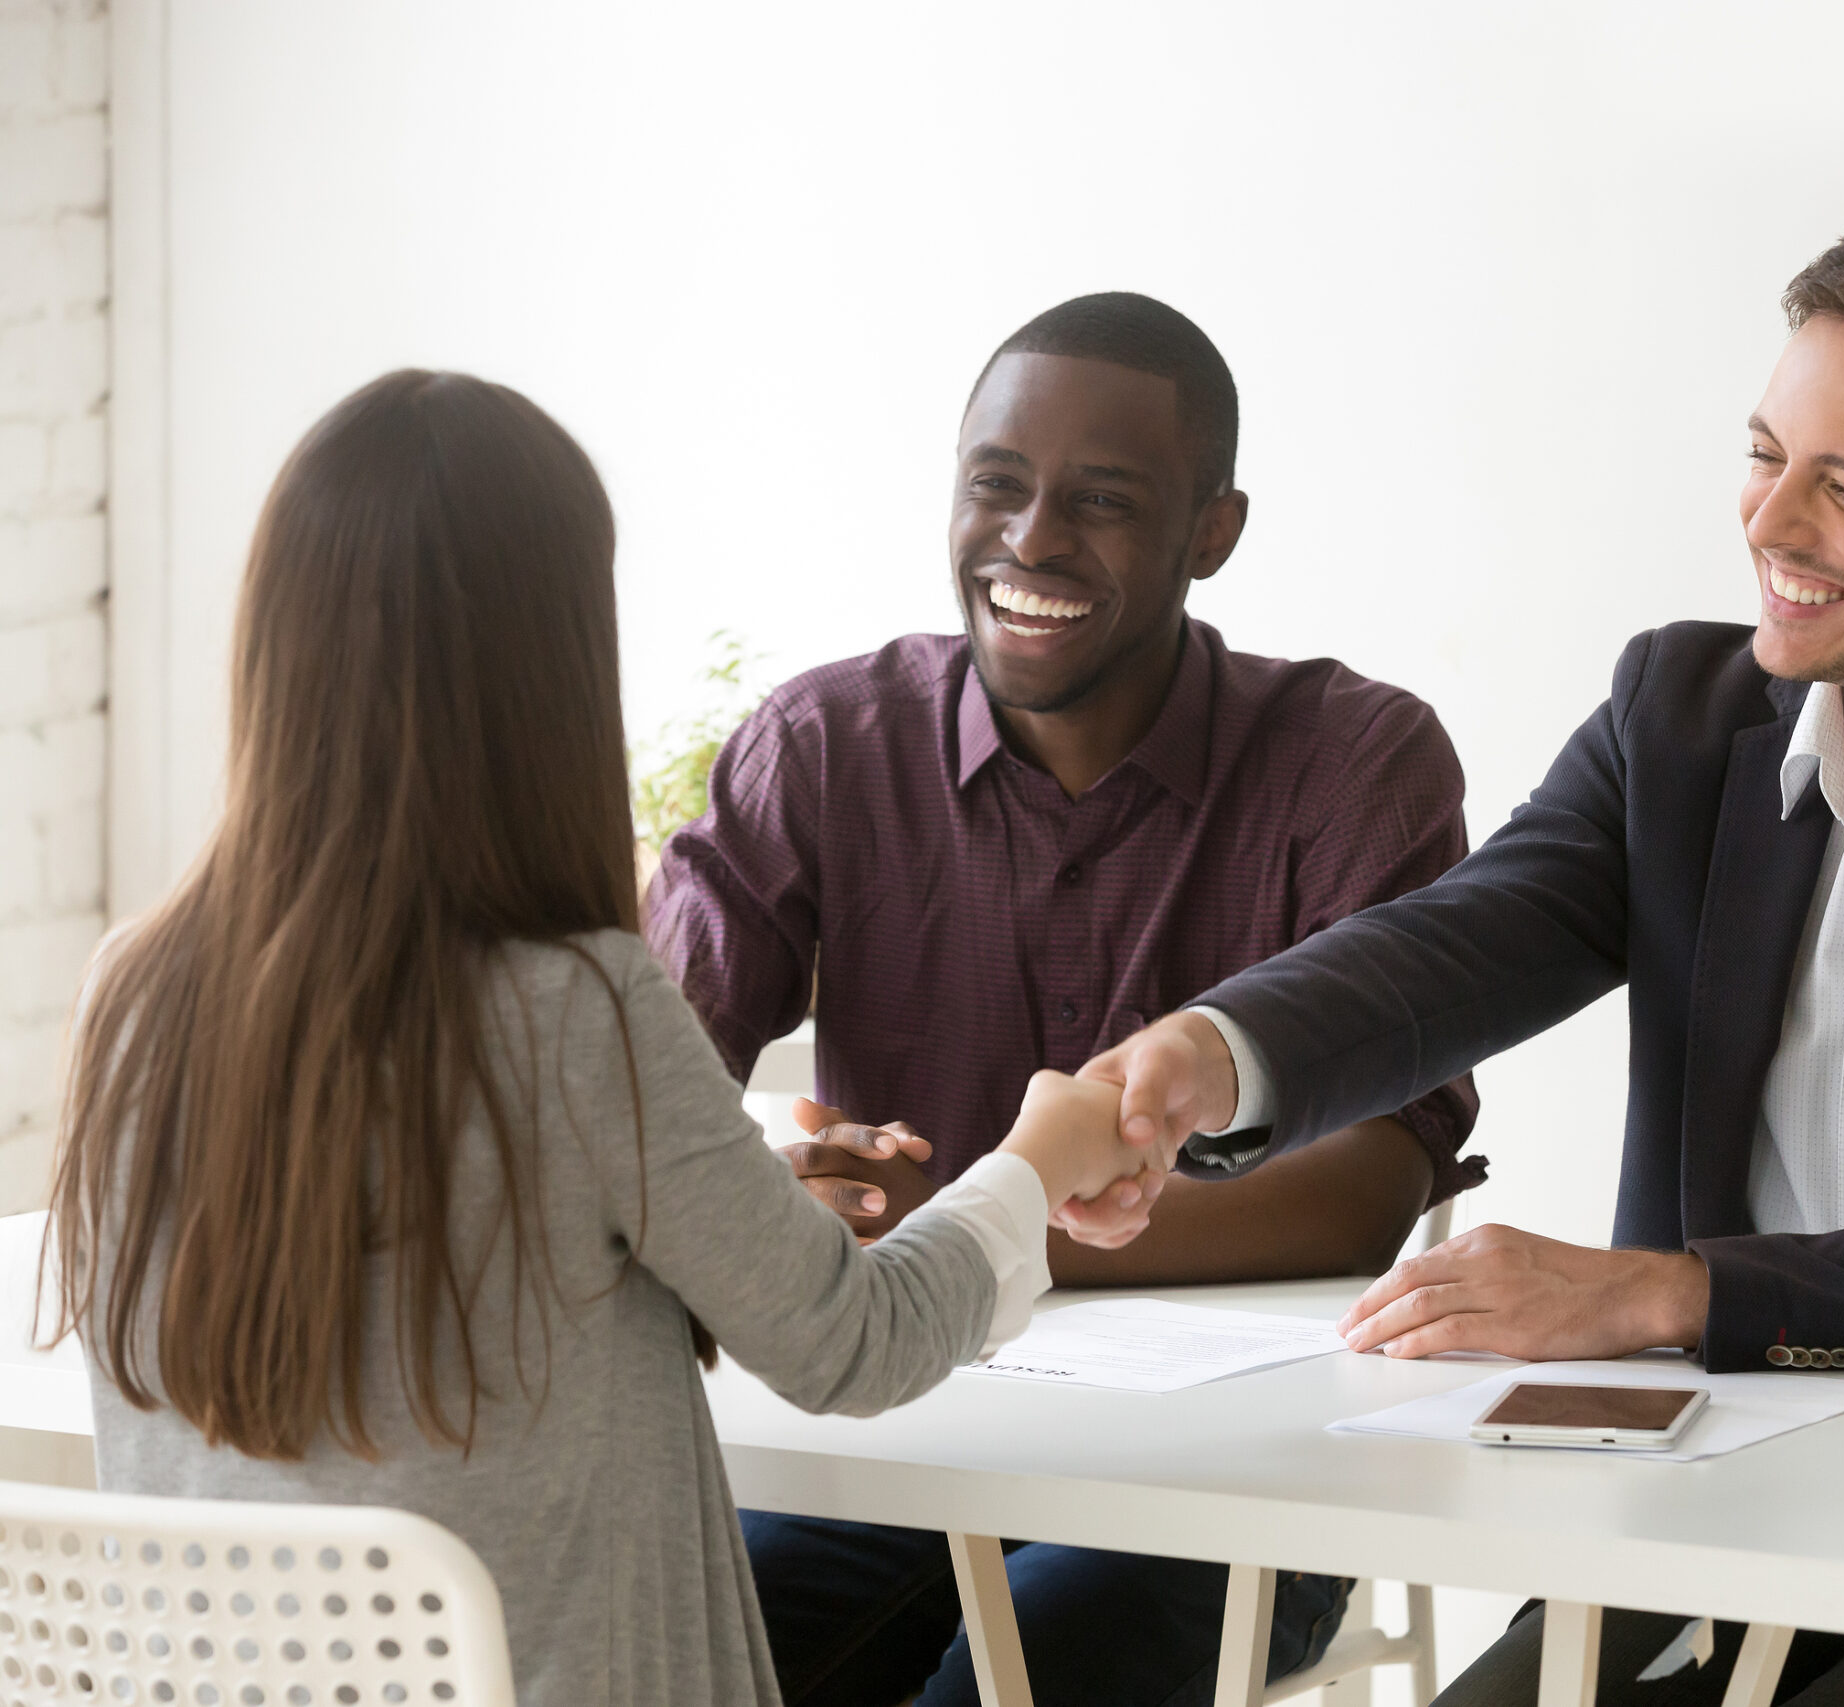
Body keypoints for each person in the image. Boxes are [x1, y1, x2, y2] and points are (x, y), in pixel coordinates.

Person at [1083, 206, 1844, 1707]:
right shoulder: (1679, 723)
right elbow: (1461, 943)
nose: (1767, 521)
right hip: (1719, 1532)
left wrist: (1667, 1295)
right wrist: (1207, 1058)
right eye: (1764, 453)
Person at [43, 370, 1150, 1707]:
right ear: (549, 662)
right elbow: (859, 1345)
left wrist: (712, 1208)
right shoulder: (575, 1010)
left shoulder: (129, 1000)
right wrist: (1042, 1153)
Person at [644, 292, 1482, 1706]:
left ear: (1210, 532)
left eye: (1100, 502)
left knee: (1029, 1666)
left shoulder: (1355, 764)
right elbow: (638, 1100)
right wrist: (785, 1196)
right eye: (997, 486)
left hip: (1240, 1485)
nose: (1030, 542)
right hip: (898, 1442)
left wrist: (966, 1232)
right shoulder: (824, 747)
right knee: (686, 1656)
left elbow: (1363, 1189)